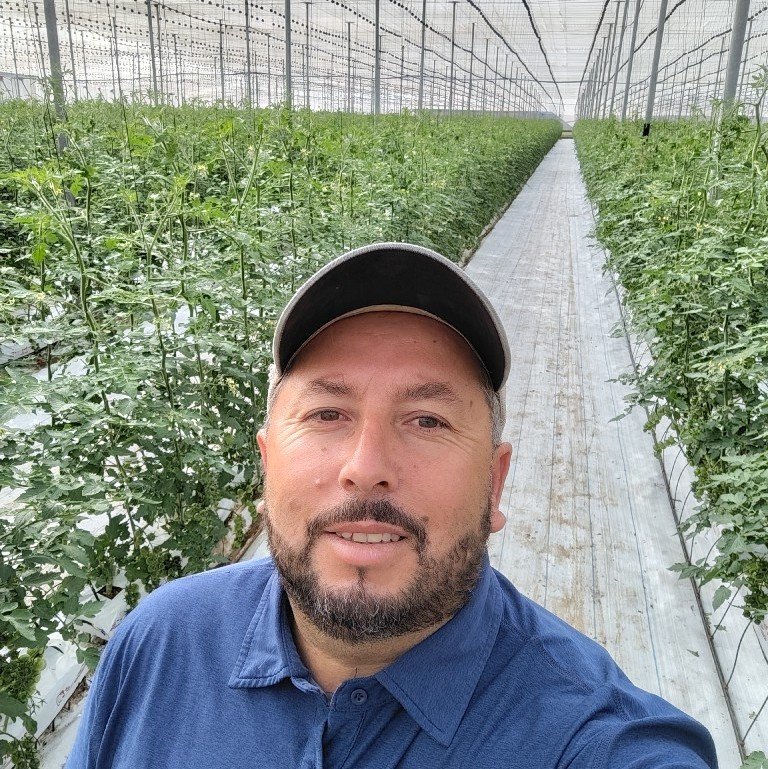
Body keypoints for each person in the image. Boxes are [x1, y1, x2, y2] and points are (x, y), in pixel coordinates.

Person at [65, 242, 718, 769]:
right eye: (327, 413)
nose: (366, 466)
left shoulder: (593, 741)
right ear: (266, 465)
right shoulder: (158, 645)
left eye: (427, 420)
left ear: (495, 484)